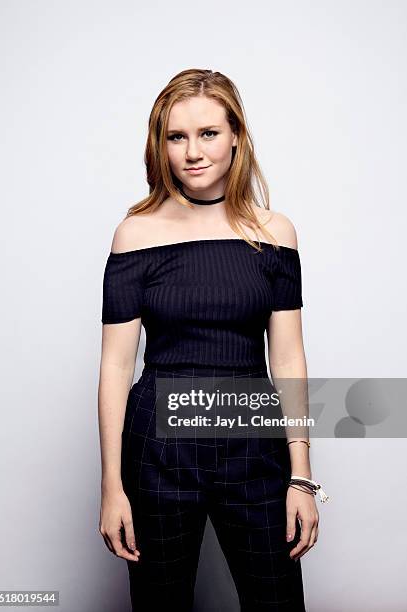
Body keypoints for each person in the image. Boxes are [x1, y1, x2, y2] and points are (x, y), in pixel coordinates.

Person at [98, 69, 322, 611]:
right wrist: (111, 486)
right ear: (161, 145)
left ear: (236, 137)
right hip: (158, 448)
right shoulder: (135, 234)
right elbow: (114, 368)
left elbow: (288, 357)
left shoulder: (274, 232)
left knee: (276, 601)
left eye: (208, 133)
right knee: (160, 602)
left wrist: (302, 478)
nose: (193, 151)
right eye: (177, 137)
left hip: (253, 442)